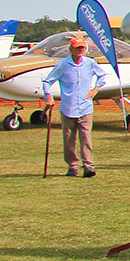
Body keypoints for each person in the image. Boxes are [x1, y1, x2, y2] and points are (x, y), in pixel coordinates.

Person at [39, 33, 108, 177]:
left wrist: (96, 88)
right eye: (77, 48)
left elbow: (102, 75)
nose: (80, 51)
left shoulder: (90, 63)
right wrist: (49, 96)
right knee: (69, 140)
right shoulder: (63, 65)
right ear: (71, 49)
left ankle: (89, 166)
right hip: (68, 107)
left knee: (86, 138)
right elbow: (47, 81)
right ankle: (72, 166)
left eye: (82, 48)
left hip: (85, 107)